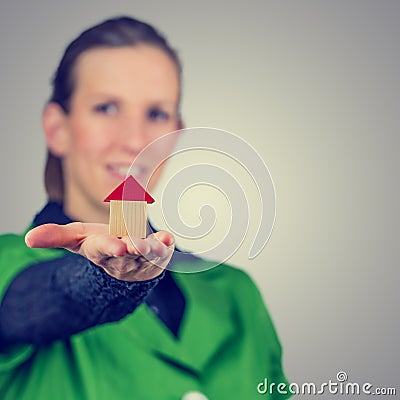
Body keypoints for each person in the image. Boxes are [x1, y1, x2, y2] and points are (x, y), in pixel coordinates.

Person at [0, 16, 290, 399]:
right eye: (106, 108)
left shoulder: (237, 295)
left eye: (156, 114)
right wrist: (107, 279)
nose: (135, 140)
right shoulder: (11, 268)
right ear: (58, 128)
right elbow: (37, 302)